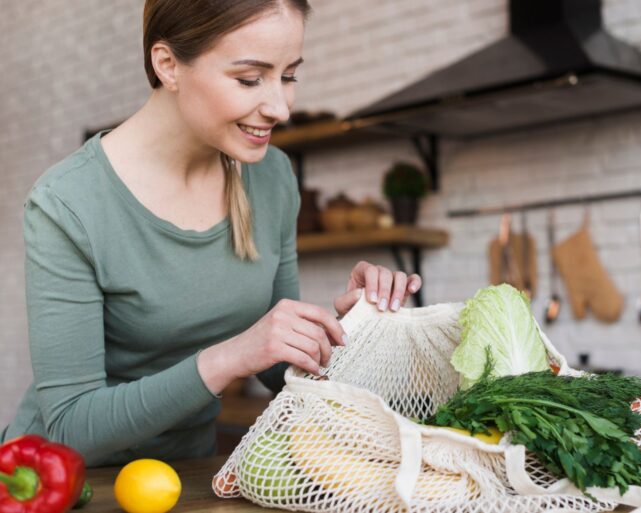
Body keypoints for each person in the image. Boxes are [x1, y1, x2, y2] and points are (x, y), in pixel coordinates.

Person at [1, 0, 421, 467]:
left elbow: (276, 368)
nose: (280, 108)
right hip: (58, 483)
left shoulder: (272, 178)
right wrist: (232, 356)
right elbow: (72, 430)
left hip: (188, 476)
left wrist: (347, 330)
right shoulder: (68, 203)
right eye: (249, 79)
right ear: (167, 66)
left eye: (288, 76)